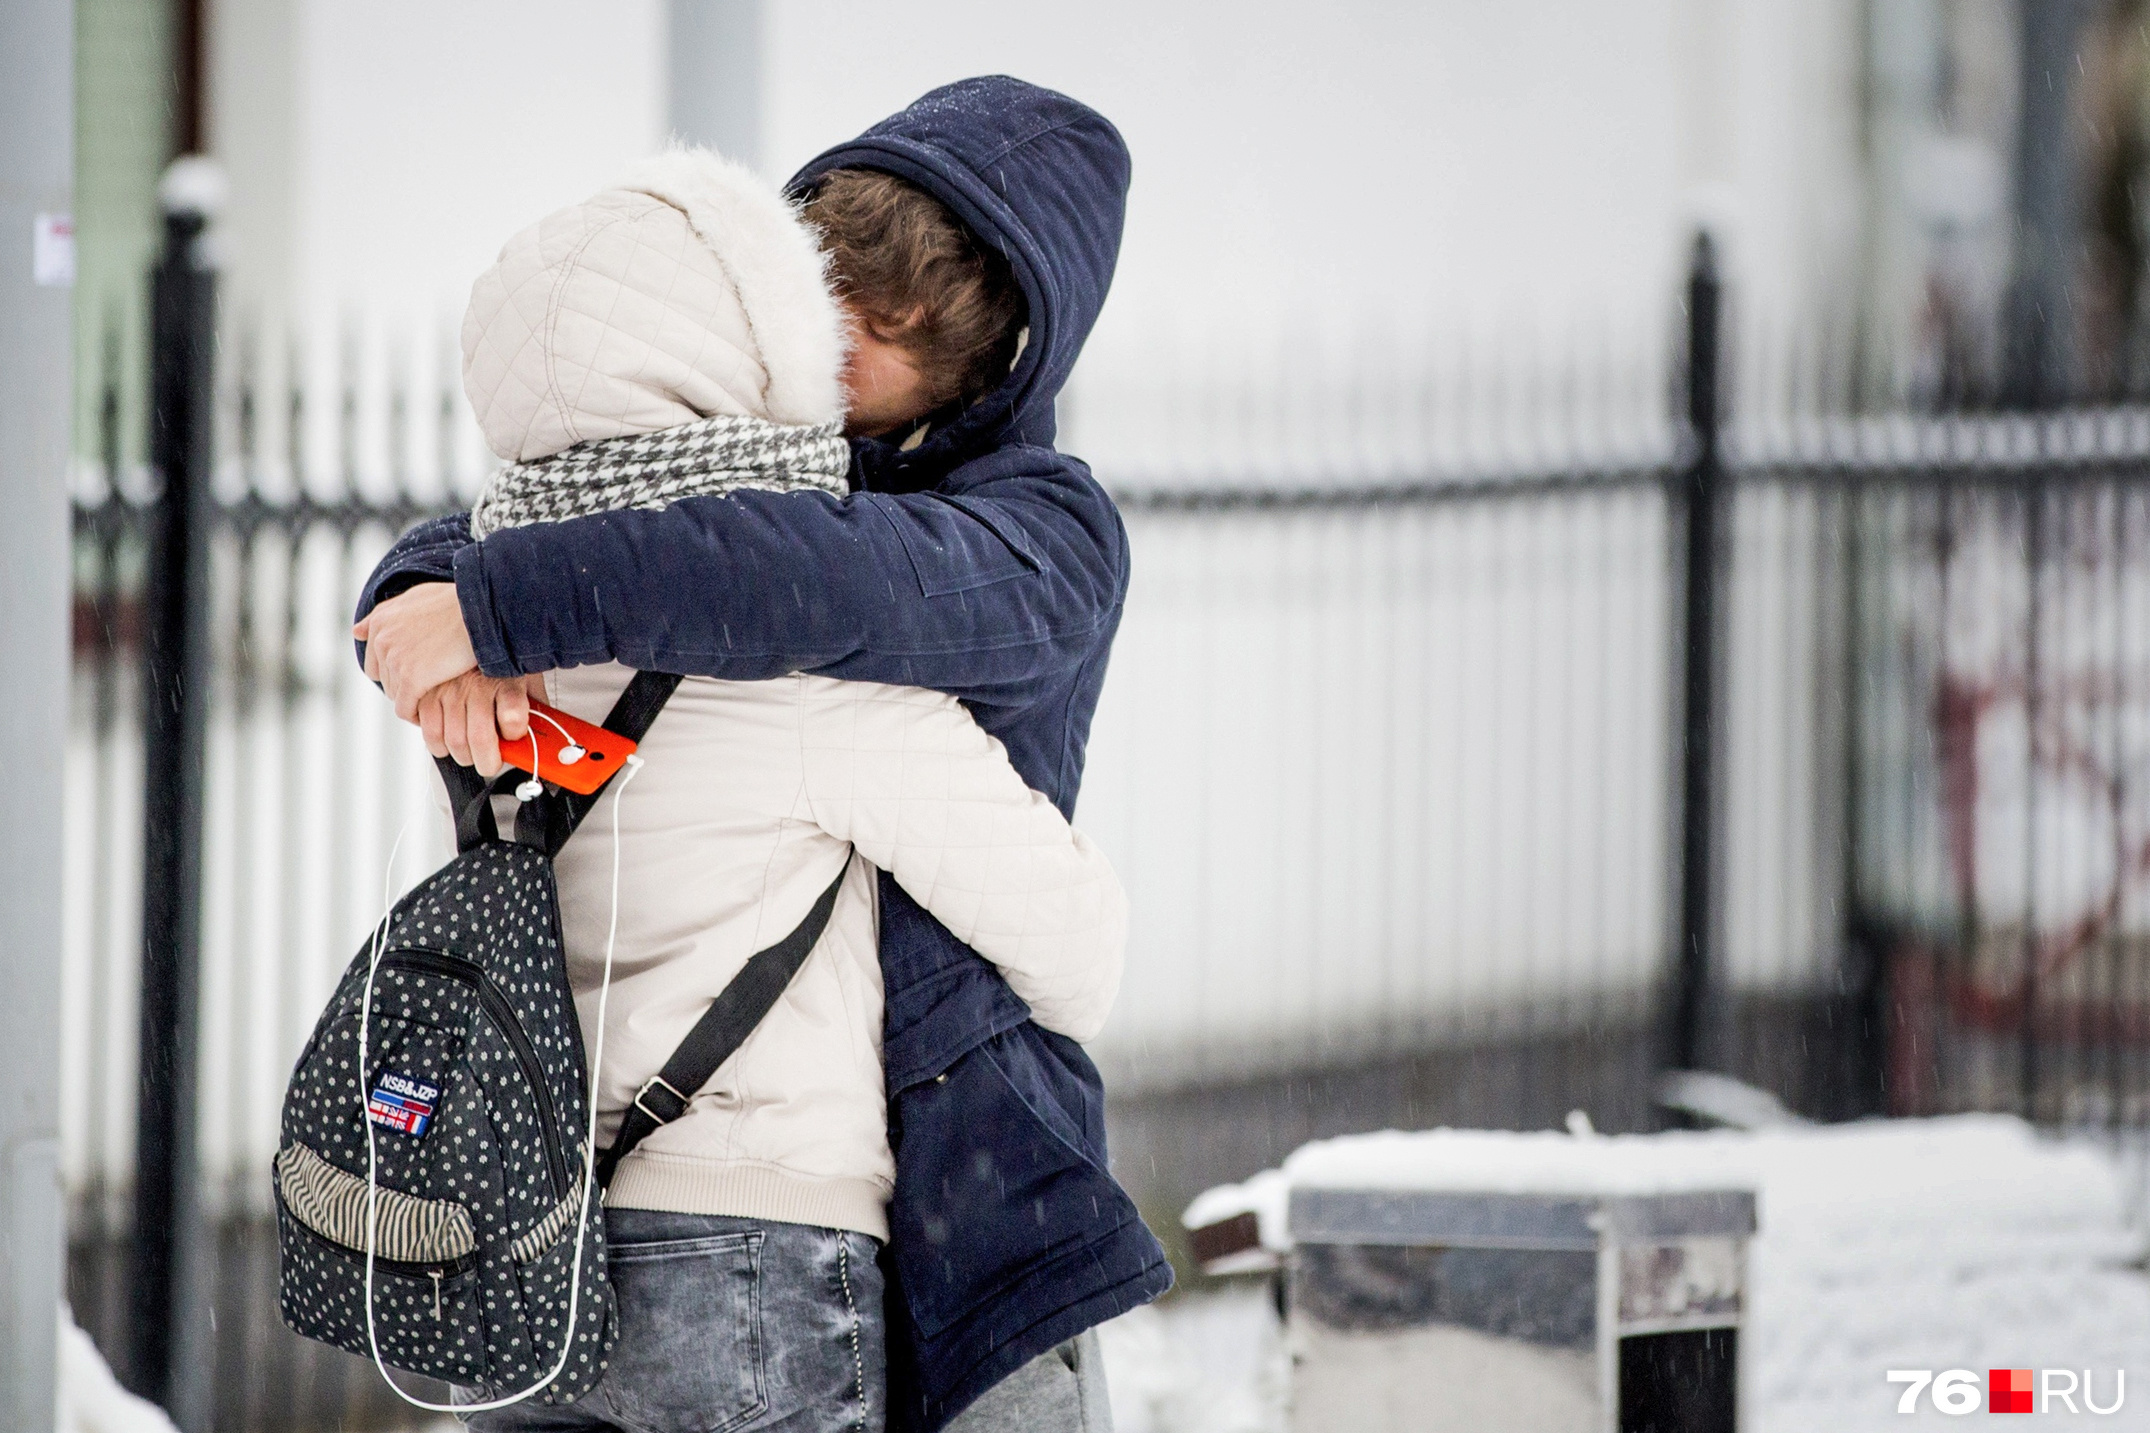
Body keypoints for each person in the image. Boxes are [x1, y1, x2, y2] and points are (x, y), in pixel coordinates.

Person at [355, 77, 1170, 1433]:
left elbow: (808, 579)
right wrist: (425, 586)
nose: (811, 364)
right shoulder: (726, 501)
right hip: (721, 1166)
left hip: (966, 1159)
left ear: (986, 373)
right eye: (809, 309)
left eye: (864, 353)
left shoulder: (1036, 535)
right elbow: (536, 511)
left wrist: (490, 602)